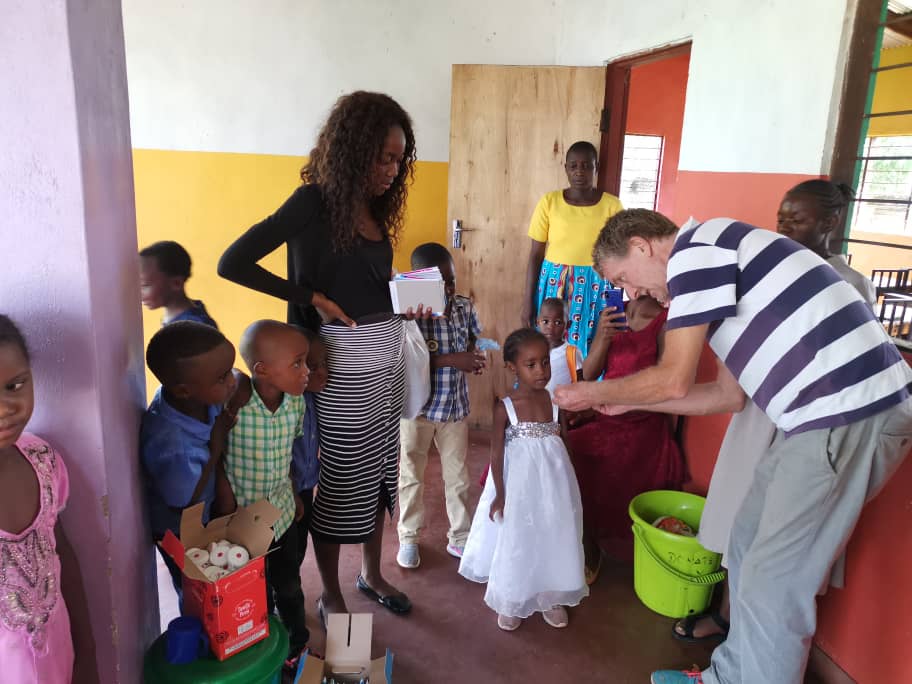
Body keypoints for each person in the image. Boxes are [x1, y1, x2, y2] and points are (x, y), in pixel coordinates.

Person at [554, 209, 912, 684]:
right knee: (743, 544)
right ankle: (727, 675)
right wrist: (627, 405)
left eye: (625, 277)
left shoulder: (694, 254)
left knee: (774, 585)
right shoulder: (715, 267)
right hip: (816, 421)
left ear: (642, 246)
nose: (633, 293)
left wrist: (591, 392)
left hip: (847, 415)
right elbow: (727, 395)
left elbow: (674, 379)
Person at [217, 91, 422, 620]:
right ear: (353, 149)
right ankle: (330, 590)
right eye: (383, 157)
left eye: (399, 160)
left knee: (377, 474)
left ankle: (372, 574)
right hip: (334, 374)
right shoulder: (312, 203)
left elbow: (366, 284)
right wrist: (309, 299)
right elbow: (233, 261)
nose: (392, 170)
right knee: (335, 484)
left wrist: (409, 300)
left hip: (384, 369)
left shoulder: (376, 211)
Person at [459, 329, 588, 631]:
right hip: (517, 485)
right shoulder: (504, 406)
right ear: (511, 367)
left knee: (553, 530)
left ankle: (551, 594)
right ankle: (512, 595)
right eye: (531, 365)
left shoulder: (555, 400)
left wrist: (569, 482)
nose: (541, 371)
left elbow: (565, 440)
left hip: (554, 482)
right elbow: (495, 454)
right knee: (518, 534)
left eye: (544, 362)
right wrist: (500, 493)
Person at [0, 315, 98, 683]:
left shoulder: (42, 459)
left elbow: (63, 556)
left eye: (14, 385)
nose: (5, 407)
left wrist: (87, 652)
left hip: (59, 656)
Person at [569, 294, 684, 580]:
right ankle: (581, 541)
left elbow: (667, 387)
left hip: (642, 420)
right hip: (606, 414)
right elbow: (591, 373)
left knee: (587, 460)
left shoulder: (666, 322)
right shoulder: (614, 312)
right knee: (557, 448)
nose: (626, 288)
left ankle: (593, 546)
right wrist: (602, 337)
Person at [216, 320, 310, 659]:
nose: (306, 372)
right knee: (253, 591)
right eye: (297, 363)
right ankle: (262, 646)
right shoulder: (234, 406)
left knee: (289, 585)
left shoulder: (296, 403)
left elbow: (289, 455)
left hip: (282, 514)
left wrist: (295, 492)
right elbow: (216, 453)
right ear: (262, 370)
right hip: (243, 522)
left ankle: (297, 645)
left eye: (306, 362)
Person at [397, 243, 484, 569]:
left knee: (458, 477)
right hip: (416, 411)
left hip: (453, 407)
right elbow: (403, 360)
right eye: (438, 284)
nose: (447, 289)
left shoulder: (464, 306)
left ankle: (460, 537)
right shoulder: (406, 316)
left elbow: (475, 338)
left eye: (451, 281)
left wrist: (475, 356)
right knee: (410, 476)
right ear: (417, 283)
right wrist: (451, 359)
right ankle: (408, 537)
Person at [140, 321, 237, 600]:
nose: (231, 380)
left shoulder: (193, 397)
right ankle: (199, 636)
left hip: (205, 515)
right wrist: (216, 447)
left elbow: (239, 381)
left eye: (229, 370)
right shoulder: (173, 444)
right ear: (183, 390)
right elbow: (185, 503)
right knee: (196, 590)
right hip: (179, 530)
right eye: (222, 377)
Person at [521, 141, 624, 357]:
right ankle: (549, 390)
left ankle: (584, 389)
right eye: (574, 166)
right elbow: (535, 255)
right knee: (550, 344)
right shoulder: (549, 202)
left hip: (595, 284)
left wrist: (617, 304)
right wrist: (527, 304)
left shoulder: (612, 205)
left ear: (596, 168)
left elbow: (619, 258)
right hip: (554, 282)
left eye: (587, 166)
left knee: (589, 346)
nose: (580, 172)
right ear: (565, 168)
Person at [777, 178, 876, 305]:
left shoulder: (852, 283)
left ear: (829, 223)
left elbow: (864, 325)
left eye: (796, 220)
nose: (783, 228)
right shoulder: (778, 271)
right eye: (780, 221)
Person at [291, 329, 328, 572]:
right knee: (285, 556)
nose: (323, 372)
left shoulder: (314, 399)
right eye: (313, 367)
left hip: (306, 489)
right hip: (287, 493)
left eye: (325, 363)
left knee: (297, 551)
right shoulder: (289, 405)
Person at [139, 241, 218, 327]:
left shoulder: (194, 327)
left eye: (144, 285)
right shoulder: (175, 317)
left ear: (176, 283)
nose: (138, 293)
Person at [537, 297, 582, 395]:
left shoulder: (572, 352)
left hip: (563, 407)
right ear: (538, 322)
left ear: (568, 325)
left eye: (558, 322)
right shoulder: (533, 351)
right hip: (539, 407)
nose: (550, 326)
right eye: (545, 321)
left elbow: (581, 383)